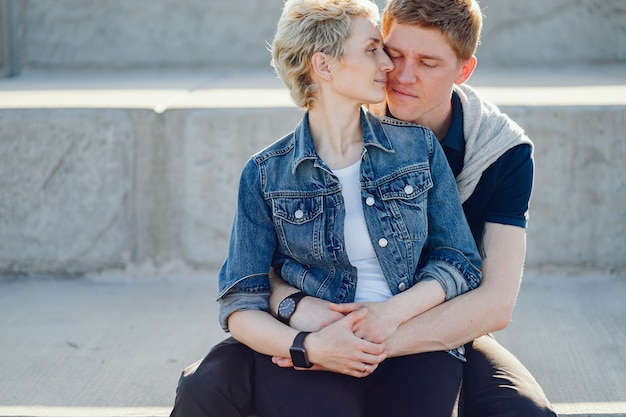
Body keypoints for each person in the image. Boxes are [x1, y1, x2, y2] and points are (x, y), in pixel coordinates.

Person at [170, 0, 557, 416]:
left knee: (521, 409)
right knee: (203, 387)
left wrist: (367, 335)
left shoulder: (493, 152)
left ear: (463, 71)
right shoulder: (284, 158)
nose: (398, 73)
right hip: (315, 319)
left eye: (427, 62)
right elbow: (248, 284)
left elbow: (487, 294)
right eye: (388, 52)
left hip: (430, 322)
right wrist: (306, 334)